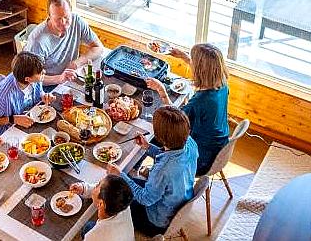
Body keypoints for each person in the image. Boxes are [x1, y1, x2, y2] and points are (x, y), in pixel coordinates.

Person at [110, 106, 198, 237]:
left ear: (161, 138)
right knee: (127, 178)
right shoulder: (190, 143)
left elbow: (145, 199)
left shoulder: (163, 170)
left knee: (114, 188)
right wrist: (148, 147)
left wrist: (120, 175)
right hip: (177, 204)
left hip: (155, 221)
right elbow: (171, 157)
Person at [146, 43, 230, 176]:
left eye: (193, 62)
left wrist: (161, 90)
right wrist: (184, 56)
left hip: (200, 160)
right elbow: (207, 67)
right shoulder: (222, 83)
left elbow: (174, 117)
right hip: (220, 147)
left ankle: (156, 174)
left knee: (152, 136)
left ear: (200, 70)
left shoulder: (200, 101)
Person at [26, 0, 105, 86]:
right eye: (58, 19)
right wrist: (59, 79)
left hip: (71, 76)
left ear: (71, 12)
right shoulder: (37, 41)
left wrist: (76, 63)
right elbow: (32, 77)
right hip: (47, 85)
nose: (63, 22)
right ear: (49, 16)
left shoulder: (77, 21)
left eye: (66, 17)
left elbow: (98, 47)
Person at [0, 52, 55, 135]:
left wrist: (43, 95)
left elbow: (39, 92)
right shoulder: (3, 97)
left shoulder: (32, 79)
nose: (44, 72)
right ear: (27, 79)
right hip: (8, 130)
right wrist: (13, 119)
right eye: (40, 73)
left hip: (29, 118)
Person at [69, 175, 134, 241]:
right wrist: (84, 188)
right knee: (88, 226)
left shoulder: (93, 236)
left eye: (97, 185)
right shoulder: (122, 202)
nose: (95, 186)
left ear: (101, 204)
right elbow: (106, 192)